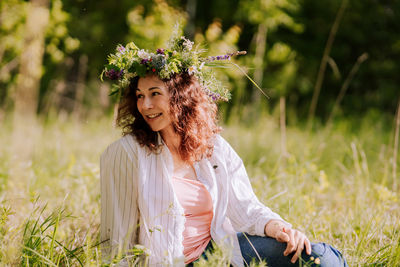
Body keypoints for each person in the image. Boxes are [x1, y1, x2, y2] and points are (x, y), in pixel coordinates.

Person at [100, 35, 348, 267]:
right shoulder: (126, 153)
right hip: (169, 262)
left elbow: (246, 207)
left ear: (181, 97)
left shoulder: (212, 146)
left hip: (219, 253)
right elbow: (117, 238)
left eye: (155, 94)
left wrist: (279, 227)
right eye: (140, 96)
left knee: (318, 258)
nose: (145, 105)